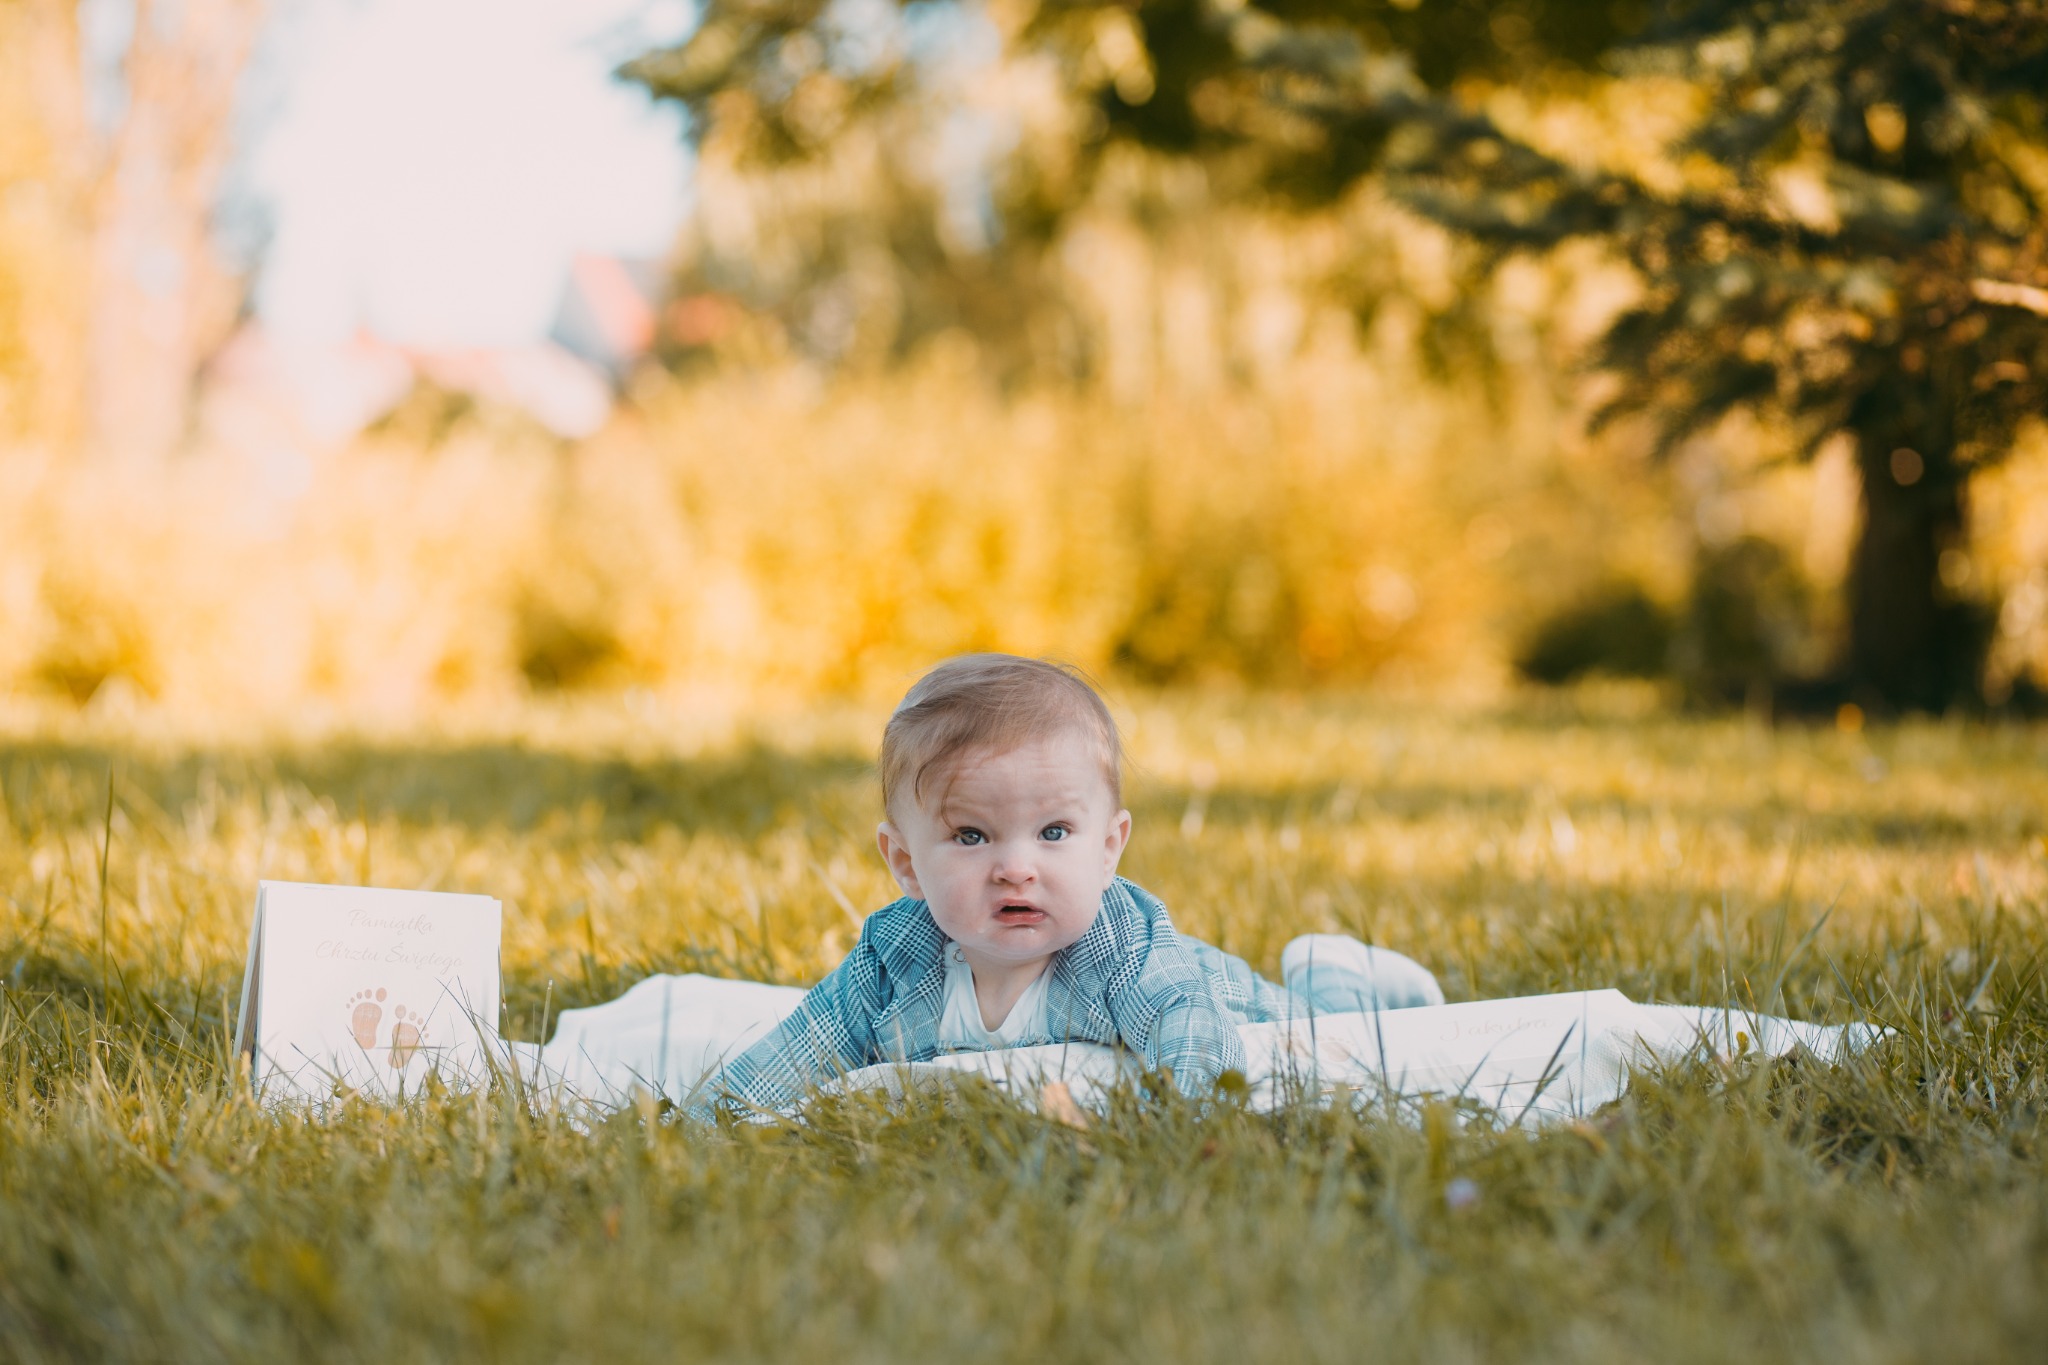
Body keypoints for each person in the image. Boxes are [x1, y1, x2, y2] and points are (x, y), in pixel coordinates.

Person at [694, 654, 1443, 1119]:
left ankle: (1335, 972)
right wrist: (710, 1120)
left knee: (1334, 1042)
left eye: (1053, 833)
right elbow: (808, 1042)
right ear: (906, 864)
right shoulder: (896, 959)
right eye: (972, 835)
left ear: (1109, 847)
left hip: (1244, 1010)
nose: (1017, 866)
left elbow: (1188, 1029)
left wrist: (1186, 1127)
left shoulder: (1119, 942)